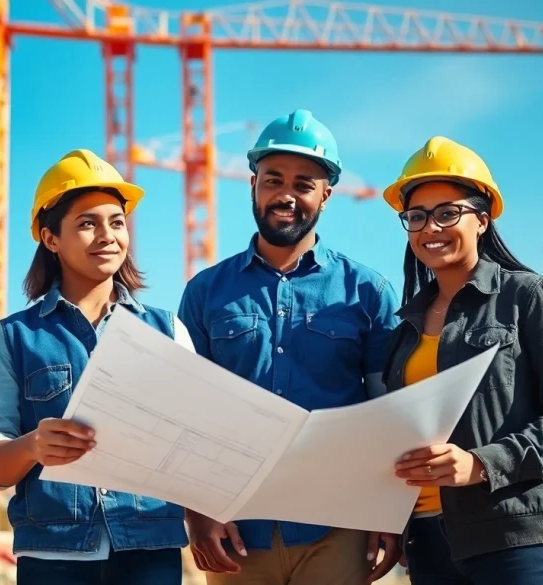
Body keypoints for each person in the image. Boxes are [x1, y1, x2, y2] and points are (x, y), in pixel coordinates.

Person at [177, 109, 404, 585]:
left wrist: (389, 510)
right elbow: (188, 412)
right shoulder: (204, 293)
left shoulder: (367, 292)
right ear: (253, 184)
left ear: (326, 194)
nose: (286, 194)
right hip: (237, 526)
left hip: (339, 524)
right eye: (273, 179)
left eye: (304, 183)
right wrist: (197, 512)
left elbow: (390, 410)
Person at [380, 136, 543, 585]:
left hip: (515, 533)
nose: (430, 228)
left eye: (448, 213)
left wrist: (483, 463)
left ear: (482, 220)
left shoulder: (527, 296)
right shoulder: (405, 327)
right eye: (417, 217)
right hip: (427, 537)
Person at [0, 148, 195, 585]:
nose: (108, 235)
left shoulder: (166, 329)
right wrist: (34, 446)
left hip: (150, 548)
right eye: (87, 223)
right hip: (53, 553)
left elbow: (196, 439)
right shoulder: (13, 338)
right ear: (50, 238)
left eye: (116, 221)